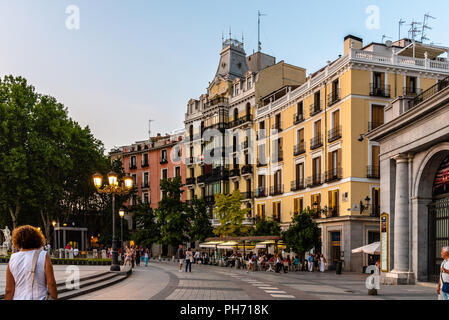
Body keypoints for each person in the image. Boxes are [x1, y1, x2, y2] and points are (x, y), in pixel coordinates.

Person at [4, 225, 58, 300]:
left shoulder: (13, 258)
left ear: (17, 240)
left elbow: (9, 290)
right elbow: (51, 283)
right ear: (37, 239)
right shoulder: (43, 255)